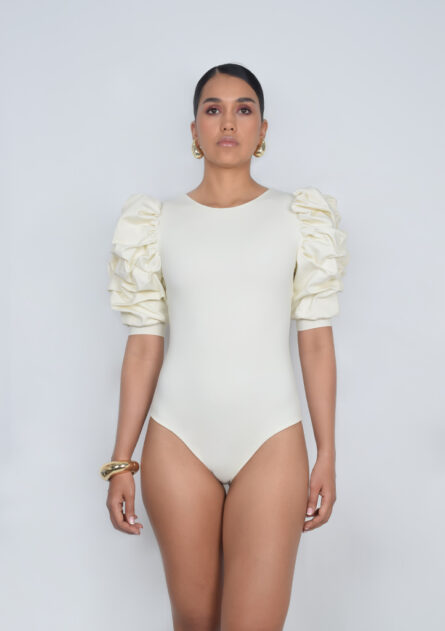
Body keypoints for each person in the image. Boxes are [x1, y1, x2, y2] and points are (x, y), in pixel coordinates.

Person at [101, 63, 349, 631]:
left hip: (271, 439)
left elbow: (315, 342)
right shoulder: (157, 223)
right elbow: (144, 347)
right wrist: (121, 462)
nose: (229, 122)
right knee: (194, 622)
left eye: (244, 109)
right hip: (177, 439)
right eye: (213, 109)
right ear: (195, 130)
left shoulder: (299, 218)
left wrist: (327, 453)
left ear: (263, 129)